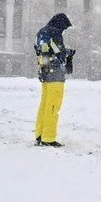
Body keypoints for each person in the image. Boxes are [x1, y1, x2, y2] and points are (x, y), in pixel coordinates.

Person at [33, 13, 75, 147]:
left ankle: (39, 135)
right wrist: (69, 54)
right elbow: (59, 53)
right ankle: (49, 138)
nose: (63, 31)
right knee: (53, 107)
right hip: (55, 74)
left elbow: (44, 51)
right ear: (60, 24)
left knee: (44, 105)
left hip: (45, 72)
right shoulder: (54, 33)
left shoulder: (41, 32)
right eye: (64, 28)